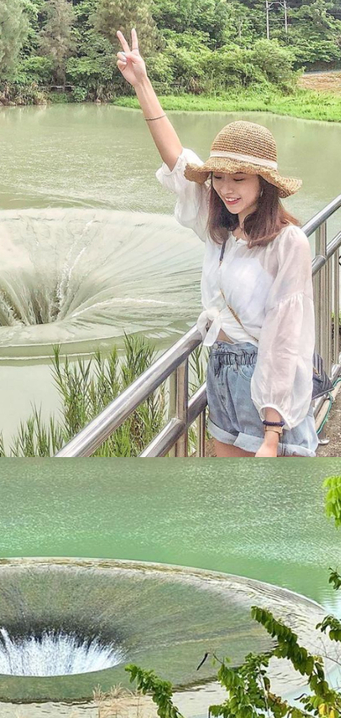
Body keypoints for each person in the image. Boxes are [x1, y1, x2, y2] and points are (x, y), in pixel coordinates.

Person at [115, 28, 317, 457]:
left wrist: (271, 433)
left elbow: (286, 338)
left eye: (239, 179)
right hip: (220, 371)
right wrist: (142, 84)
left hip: (263, 387)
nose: (226, 188)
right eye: (219, 177)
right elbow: (176, 160)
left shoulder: (288, 243)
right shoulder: (221, 228)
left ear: (265, 184)